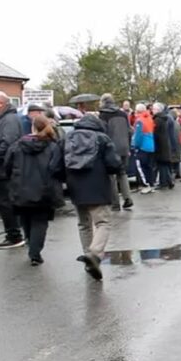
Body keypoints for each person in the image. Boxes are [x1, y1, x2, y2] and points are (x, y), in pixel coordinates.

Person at [63, 115, 122, 280]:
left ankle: (87, 255)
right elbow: (113, 163)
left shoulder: (68, 138)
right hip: (98, 185)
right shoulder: (102, 138)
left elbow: (57, 163)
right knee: (103, 222)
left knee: (84, 224)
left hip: (75, 185)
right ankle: (95, 254)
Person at [4, 116, 65, 266]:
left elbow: (7, 166)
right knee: (40, 221)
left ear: (33, 128)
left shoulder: (17, 145)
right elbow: (58, 168)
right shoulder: (52, 146)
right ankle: (35, 252)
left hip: (20, 187)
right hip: (44, 189)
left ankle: (31, 245)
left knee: (25, 218)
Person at [0, 91, 24, 249]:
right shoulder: (0, 119)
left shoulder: (9, 120)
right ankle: (14, 234)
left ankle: (14, 236)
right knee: (5, 203)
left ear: (1, 103)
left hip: (3, 170)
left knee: (6, 203)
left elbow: (9, 143)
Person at [98, 93, 134, 210]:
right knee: (123, 174)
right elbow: (129, 131)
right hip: (124, 147)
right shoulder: (123, 114)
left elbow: (102, 134)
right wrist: (128, 146)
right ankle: (127, 198)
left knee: (111, 176)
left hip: (111, 149)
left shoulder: (103, 115)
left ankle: (115, 203)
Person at [132, 103, 156, 194]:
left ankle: (146, 185)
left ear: (138, 111)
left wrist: (135, 146)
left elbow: (138, 136)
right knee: (149, 166)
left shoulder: (139, 121)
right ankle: (152, 184)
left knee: (141, 167)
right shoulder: (149, 118)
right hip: (151, 145)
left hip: (143, 146)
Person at [151, 103, 174, 190]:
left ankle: (164, 183)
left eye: (154, 109)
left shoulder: (157, 120)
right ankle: (169, 181)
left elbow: (155, 133)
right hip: (164, 143)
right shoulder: (164, 119)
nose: (152, 110)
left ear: (157, 110)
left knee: (161, 164)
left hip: (160, 144)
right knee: (164, 164)